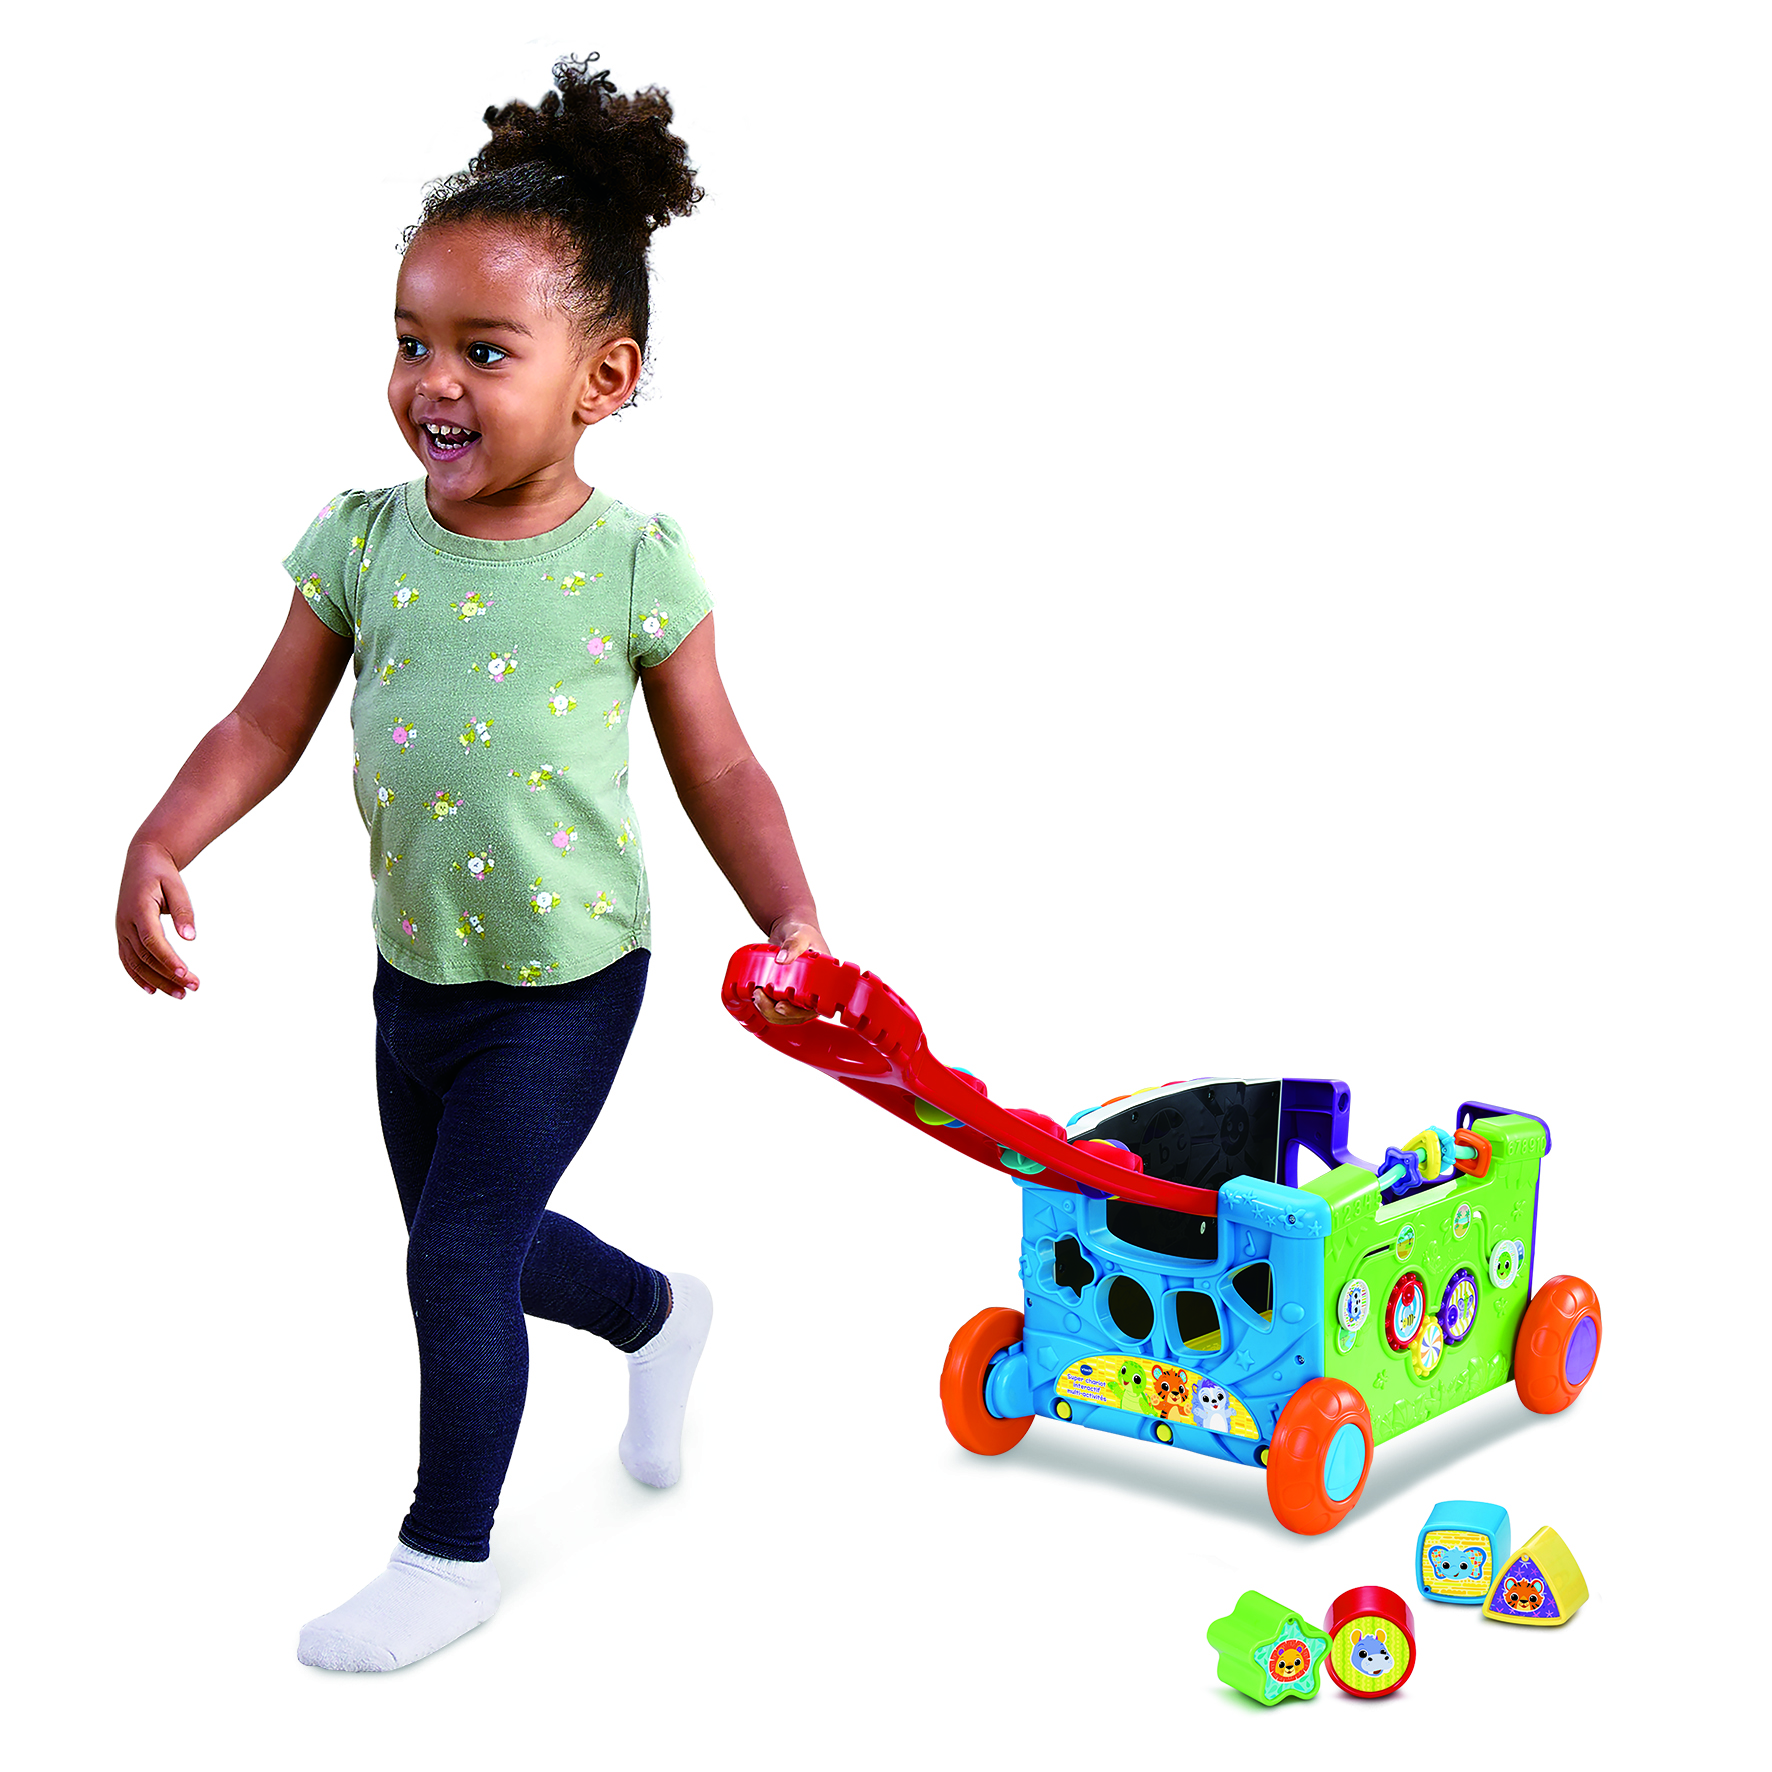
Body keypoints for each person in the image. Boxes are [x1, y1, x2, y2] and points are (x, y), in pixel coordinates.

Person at [113, 51, 823, 1674]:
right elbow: (262, 723)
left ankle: (447, 1554)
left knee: (453, 1256)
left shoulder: (633, 562)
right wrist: (163, 833)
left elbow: (720, 762)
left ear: (602, 376)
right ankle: (659, 1315)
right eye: (411, 341)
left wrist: (788, 914)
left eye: (484, 351)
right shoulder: (361, 541)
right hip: (416, 971)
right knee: (471, 1241)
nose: (433, 381)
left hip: (569, 981)